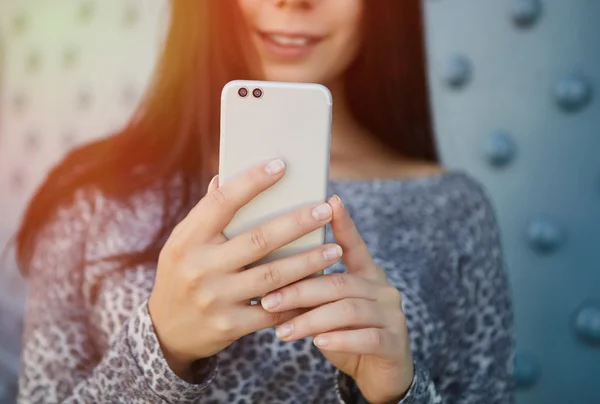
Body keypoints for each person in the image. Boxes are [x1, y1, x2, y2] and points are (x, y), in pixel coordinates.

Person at [15, 1, 514, 403]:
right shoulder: (95, 190)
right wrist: (159, 347)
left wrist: (400, 395)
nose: (293, 3)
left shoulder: (451, 208)